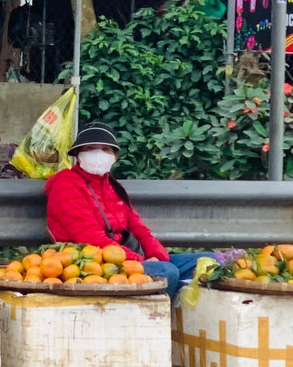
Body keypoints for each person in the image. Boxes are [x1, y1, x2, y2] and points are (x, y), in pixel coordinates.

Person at [44, 122, 208, 298]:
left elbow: (139, 229)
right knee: (166, 272)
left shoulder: (112, 186)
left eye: (105, 149)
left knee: (209, 262)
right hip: (94, 264)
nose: (98, 154)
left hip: (127, 258)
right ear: (78, 155)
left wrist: (157, 255)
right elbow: (90, 238)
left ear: (114, 156)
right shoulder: (66, 183)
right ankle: (157, 322)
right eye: (90, 148)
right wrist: (141, 261)